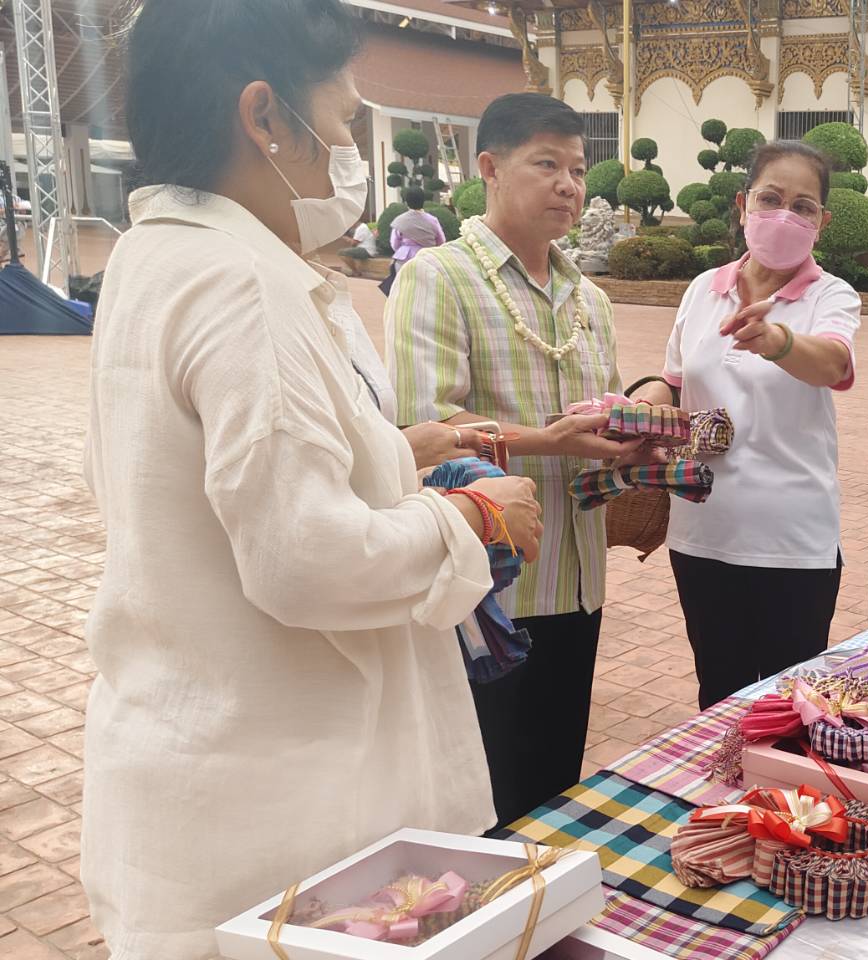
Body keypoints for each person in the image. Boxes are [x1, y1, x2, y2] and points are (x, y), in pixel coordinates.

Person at [82, 2, 546, 955]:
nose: (349, 150)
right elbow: (303, 557)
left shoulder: (156, 255)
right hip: (289, 793)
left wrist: (393, 448)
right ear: (264, 117)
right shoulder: (242, 285)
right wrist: (467, 517)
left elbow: (214, 479)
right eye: (339, 123)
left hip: (195, 755)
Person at [388, 92, 645, 826]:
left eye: (577, 167)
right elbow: (425, 423)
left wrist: (637, 440)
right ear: (491, 169)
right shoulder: (438, 278)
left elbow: (598, 414)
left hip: (577, 573)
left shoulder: (588, 298)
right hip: (490, 586)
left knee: (555, 785)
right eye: (547, 164)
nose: (569, 184)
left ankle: (542, 926)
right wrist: (548, 442)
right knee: (487, 791)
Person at [629, 142, 858, 706]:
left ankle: (786, 800)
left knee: (790, 709)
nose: (785, 215)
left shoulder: (831, 294)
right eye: (771, 198)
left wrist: (778, 340)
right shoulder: (702, 289)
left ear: (822, 222)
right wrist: (641, 407)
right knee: (719, 695)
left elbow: (831, 363)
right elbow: (675, 382)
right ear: (742, 204)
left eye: (803, 206)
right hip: (703, 533)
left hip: (792, 542)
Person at [379, 186, 445, 295]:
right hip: (427, 257)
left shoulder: (399, 220)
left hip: (403, 258)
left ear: (406, 202)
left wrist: (405, 248)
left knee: (403, 290)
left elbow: (394, 243)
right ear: (423, 201)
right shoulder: (433, 220)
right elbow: (441, 240)